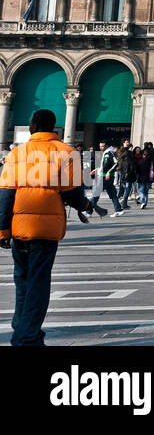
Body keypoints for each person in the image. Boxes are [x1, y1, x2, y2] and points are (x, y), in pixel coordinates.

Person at [0, 110, 107, 345]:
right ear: (53, 128)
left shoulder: (16, 153)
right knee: (38, 282)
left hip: (19, 226)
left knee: (22, 280)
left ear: (31, 127)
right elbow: (74, 194)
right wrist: (89, 205)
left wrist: (3, 231)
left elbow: (6, 195)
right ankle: (26, 337)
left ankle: (24, 329)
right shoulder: (66, 152)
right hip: (46, 230)